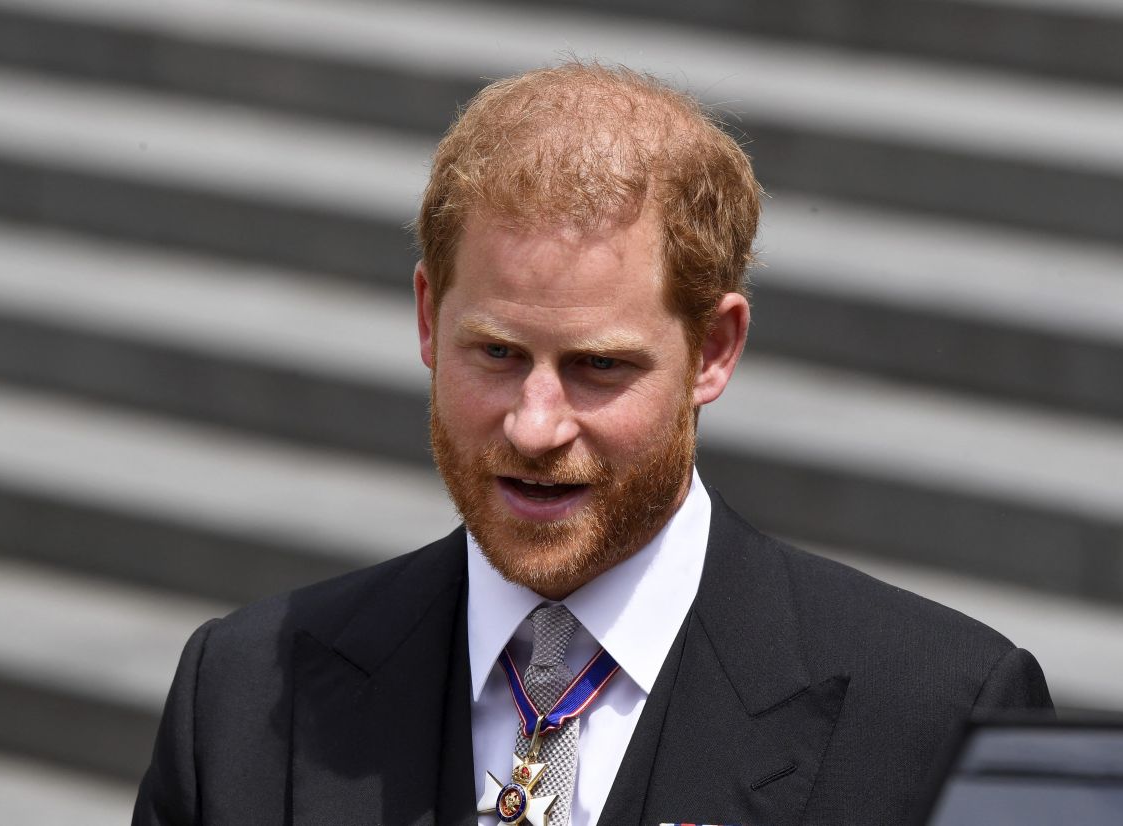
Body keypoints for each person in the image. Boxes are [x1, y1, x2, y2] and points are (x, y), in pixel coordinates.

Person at [133, 62, 1051, 826]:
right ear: (426, 316)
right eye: (495, 353)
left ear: (714, 350)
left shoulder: (940, 719)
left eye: (600, 368)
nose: (536, 425)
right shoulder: (243, 696)